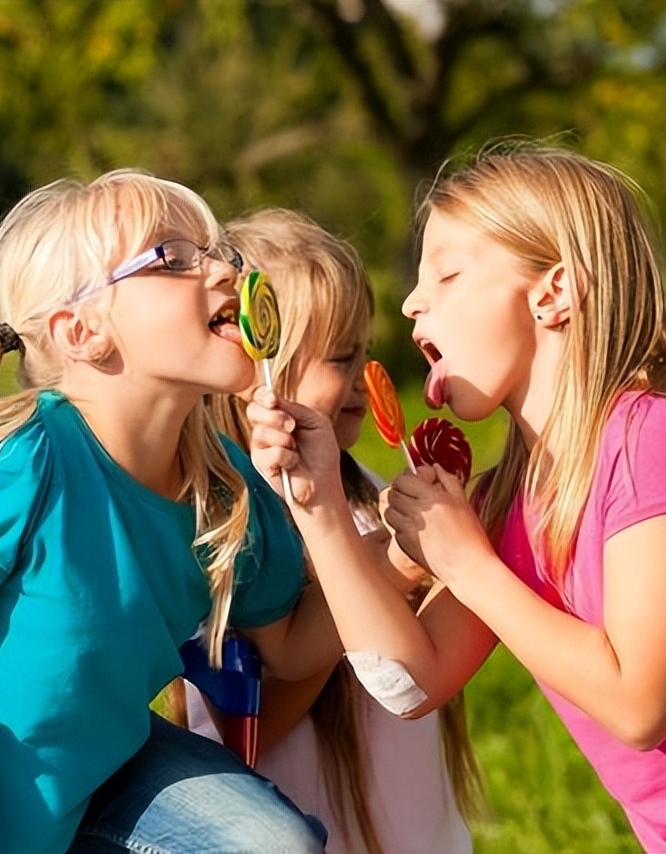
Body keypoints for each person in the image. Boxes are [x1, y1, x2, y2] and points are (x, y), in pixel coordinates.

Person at [245, 143, 666, 853]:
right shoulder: (506, 499)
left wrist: (468, 565)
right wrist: (320, 505)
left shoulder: (651, 439)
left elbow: (640, 704)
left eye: (447, 274)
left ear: (553, 293)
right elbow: (409, 684)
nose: (411, 301)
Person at [0, 171, 336, 854]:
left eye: (220, 253)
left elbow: (292, 650)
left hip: (112, 773)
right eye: (174, 258)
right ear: (83, 330)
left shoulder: (224, 486)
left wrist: (406, 557)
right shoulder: (22, 460)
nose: (223, 269)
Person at [168, 208, 484, 854]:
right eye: (342, 357)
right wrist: (385, 573)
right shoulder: (225, 522)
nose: (368, 378)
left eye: (367, 349)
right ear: (257, 364)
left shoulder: (369, 486)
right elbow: (252, 726)